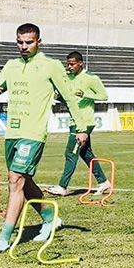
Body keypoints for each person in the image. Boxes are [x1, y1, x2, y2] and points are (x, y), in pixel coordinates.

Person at [0, 23, 90, 253]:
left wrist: (81, 127)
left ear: (38, 42)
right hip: (12, 132)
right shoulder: (11, 66)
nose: (24, 46)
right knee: (24, 181)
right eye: (20, 42)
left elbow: (69, 98)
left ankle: (5, 236)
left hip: (34, 133)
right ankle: (50, 217)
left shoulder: (51, 66)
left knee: (15, 180)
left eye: (29, 42)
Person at [44, 51, 110, 196]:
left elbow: (104, 96)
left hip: (85, 122)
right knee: (86, 153)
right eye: (68, 64)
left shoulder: (91, 78)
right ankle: (104, 182)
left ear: (80, 63)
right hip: (74, 120)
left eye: (72, 64)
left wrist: (85, 94)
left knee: (70, 153)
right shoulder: (68, 78)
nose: (69, 67)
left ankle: (62, 186)